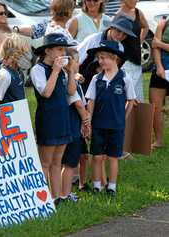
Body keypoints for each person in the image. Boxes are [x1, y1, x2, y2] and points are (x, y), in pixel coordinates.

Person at [77, 14, 136, 190]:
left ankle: (105, 184)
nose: (120, 35)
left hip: (105, 87)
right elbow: (77, 59)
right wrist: (75, 77)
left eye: (124, 34)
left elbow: (117, 74)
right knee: (84, 137)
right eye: (118, 30)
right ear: (111, 27)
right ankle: (80, 178)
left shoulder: (118, 49)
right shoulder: (93, 40)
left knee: (107, 154)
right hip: (84, 82)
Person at [31, 33, 78, 206]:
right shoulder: (38, 69)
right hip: (48, 119)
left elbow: (71, 92)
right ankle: (44, 200)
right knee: (46, 162)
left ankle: (57, 197)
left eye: (64, 49)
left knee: (57, 161)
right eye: (59, 49)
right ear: (48, 51)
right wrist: (56, 71)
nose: (62, 52)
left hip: (63, 118)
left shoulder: (62, 71)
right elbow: (46, 92)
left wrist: (71, 72)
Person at [61, 48, 90, 202]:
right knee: (69, 164)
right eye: (77, 61)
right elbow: (78, 104)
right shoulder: (68, 81)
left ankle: (64, 193)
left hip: (73, 126)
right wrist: (87, 121)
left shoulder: (70, 78)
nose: (79, 64)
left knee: (69, 163)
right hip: (72, 127)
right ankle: (64, 195)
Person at [117, 0, 149, 102]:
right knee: (127, 97)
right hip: (125, 62)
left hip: (137, 60)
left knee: (138, 97)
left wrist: (139, 41)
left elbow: (145, 27)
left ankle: (136, 117)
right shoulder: (118, 16)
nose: (135, 0)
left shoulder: (138, 12)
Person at [0, 33, 31, 106]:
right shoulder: (4, 75)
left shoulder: (19, 73)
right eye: (23, 53)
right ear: (12, 54)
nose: (25, 56)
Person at [149, 18, 169, 148]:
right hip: (161, 70)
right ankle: (159, 141)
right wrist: (159, 67)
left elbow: (157, 44)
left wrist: (160, 44)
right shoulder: (163, 24)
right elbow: (154, 47)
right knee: (155, 107)